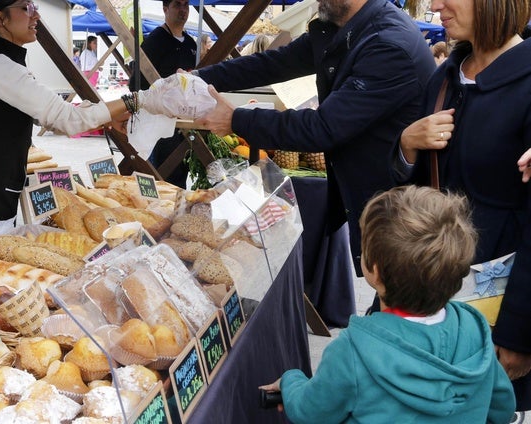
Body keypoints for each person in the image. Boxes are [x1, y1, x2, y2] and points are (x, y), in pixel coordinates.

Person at [194, 0, 435, 277]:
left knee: (399, 291)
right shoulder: (340, 28)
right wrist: (199, 78)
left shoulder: (388, 45)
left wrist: (237, 119)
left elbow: (323, 128)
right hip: (375, 197)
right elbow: (272, 63)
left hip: (401, 209)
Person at [260, 185, 516, 423]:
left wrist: (290, 381)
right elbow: (502, 408)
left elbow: (310, 412)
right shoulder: (475, 330)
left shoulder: (352, 351)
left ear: (375, 271)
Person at [0, 0, 180, 230]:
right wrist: (139, 99)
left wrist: (107, 115)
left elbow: (51, 112)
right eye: (26, 7)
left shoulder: (2, 62)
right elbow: (67, 120)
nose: (36, 15)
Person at [395, 0, 531, 411]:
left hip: (501, 305)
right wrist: (407, 145)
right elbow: (417, 192)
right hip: (433, 297)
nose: (436, 4)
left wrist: (519, 333)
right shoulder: (444, 77)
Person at [131, 0, 198, 188]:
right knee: (161, 173)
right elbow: (136, 82)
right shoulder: (155, 40)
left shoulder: (191, 43)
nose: (183, 10)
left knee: (180, 171)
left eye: (186, 5)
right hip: (158, 120)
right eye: (177, 5)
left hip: (183, 120)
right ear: (165, 9)